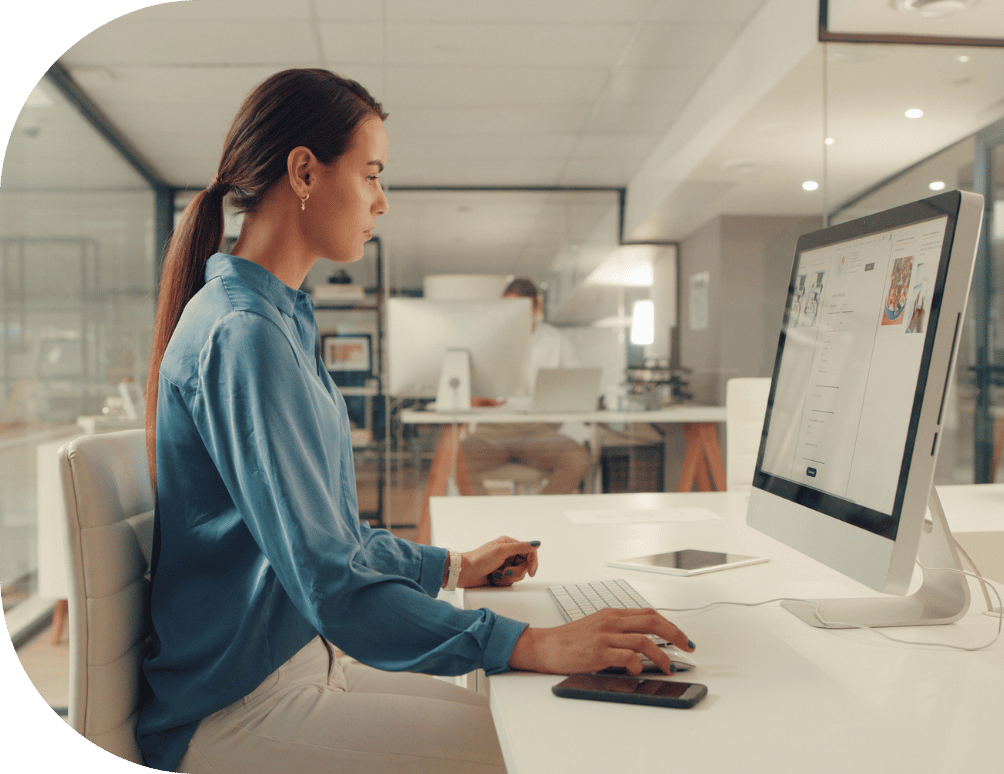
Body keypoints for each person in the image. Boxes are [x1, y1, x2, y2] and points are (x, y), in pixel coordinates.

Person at [137, 68, 694, 774]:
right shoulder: (243, 334)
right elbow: (332, 582)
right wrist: (532, 642)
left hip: (297, 657)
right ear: (304, 171)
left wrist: (453, 566)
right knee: (546, 745)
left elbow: (331, 542)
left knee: (530, 712)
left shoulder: (273, 322)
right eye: (371, 175)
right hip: (235, 705)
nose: (383, 201)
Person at [461, 277, 592, 495]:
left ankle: (538, 521)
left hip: (539, 433)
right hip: (493, 433)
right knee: (456, 459)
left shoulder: (556, 342)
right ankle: (488, 525)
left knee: (577, 458)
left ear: (536, 307)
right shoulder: (488, 342)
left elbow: (577, 387)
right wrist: (476, 400)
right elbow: (465, 393)